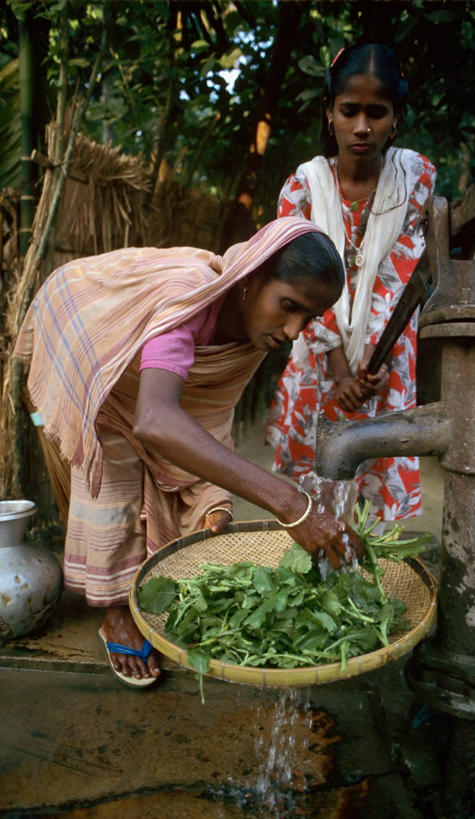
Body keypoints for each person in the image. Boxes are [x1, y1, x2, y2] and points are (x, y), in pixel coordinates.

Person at [14, 217, 364, 686]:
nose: (295, 330)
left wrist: (209, 499)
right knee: (112, 461)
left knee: (205, 505)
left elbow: (205, 418)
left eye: (310, 318)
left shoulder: (253, 336)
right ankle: (114, 611)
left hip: (145, 384)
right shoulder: (189, 298)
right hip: (86, 332)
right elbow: (156, 420)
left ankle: (144, 584)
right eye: (289, 306)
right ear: (252, 277)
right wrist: (292, 505)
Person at [266, 41, 436, 525]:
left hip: (384, 364)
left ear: (395, 117)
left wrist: (371, 368)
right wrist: (339, 371)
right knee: (313, 503)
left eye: (377, 112)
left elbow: (403, 276)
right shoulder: (301, 190)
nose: (362, 127)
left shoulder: (415, 178)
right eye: (349, 111)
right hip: (321, 360)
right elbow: (296, 284)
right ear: (329, 112)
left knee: (375, 509)